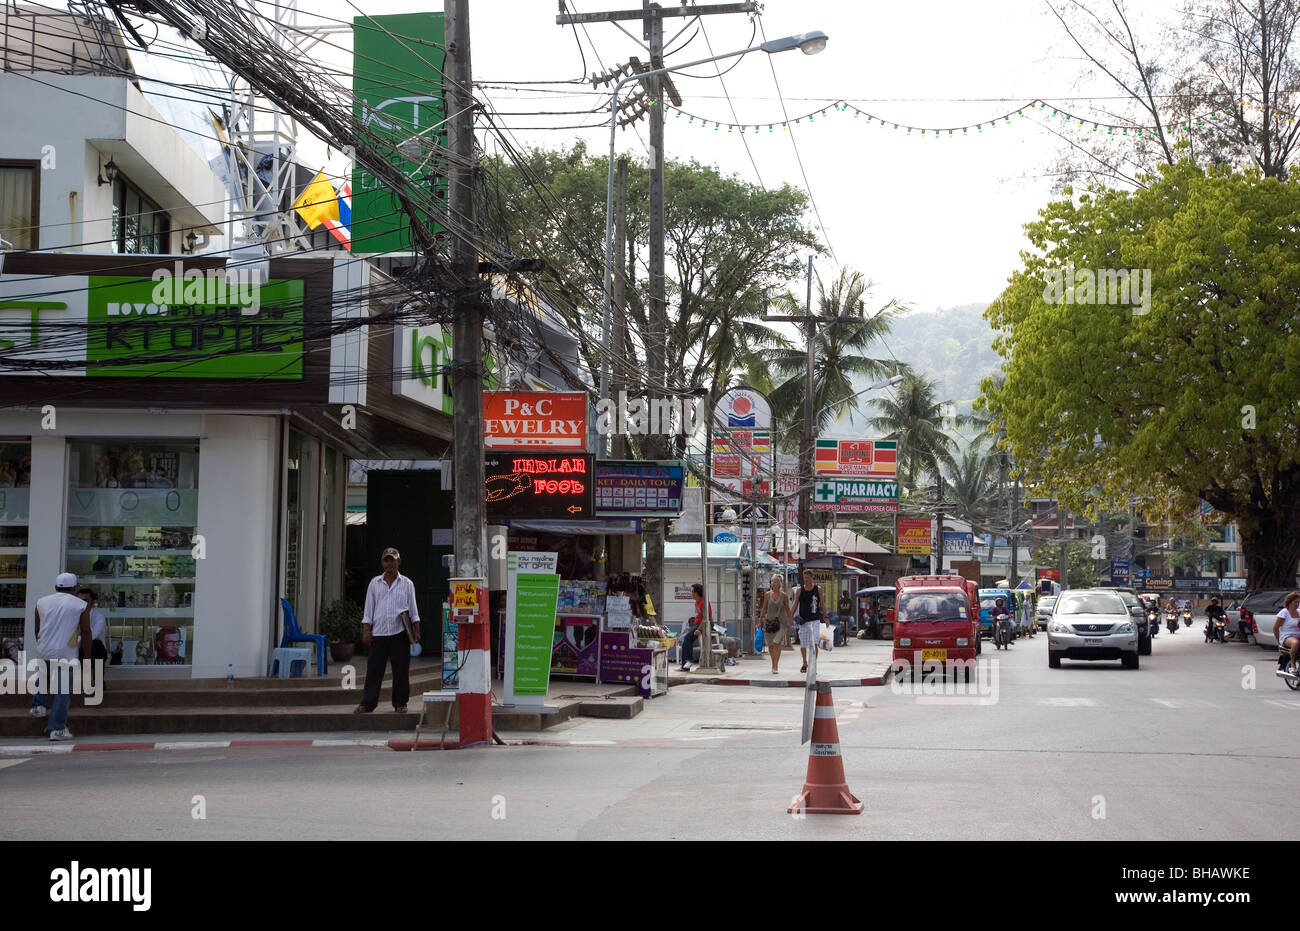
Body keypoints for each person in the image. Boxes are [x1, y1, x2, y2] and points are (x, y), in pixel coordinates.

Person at [355, 547, 421, 714]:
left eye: (393, 560)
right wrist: (366, 630)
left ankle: (400, 703)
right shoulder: (374, 583)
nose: (389, 563)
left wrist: (416, 630)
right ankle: (368, 703)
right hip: (379, 633)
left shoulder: (407, 583)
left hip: (399, 633)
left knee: (401, 671)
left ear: (398, 562)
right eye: (387, 560)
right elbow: (369, 609)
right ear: (382, 562)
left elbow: (413, 610)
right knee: (374, 670)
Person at [28, 572, 92, 741]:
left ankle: (38, 705)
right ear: (74, 588)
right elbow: (85, 631)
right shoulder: (80, 605)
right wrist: (87, 657)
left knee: (43, 677)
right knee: (62, 693)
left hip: (44, 650)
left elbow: (37, 629)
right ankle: (57, 729)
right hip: (66, 653)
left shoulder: (41, 602)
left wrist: (43, 646)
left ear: (56, 587)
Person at [756, 573, 791, 675]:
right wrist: (760, 619)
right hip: (769, 622)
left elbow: (788, 609)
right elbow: (764, 608)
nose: (773, 583)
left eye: (775, 581)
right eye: (772, 581)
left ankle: (776, 665)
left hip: (781, 623)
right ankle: (773, 663)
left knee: (777, 643)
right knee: (771, 645)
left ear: (779, 583)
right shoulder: (767, 595)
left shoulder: (784, 596)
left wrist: (790, 620)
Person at [792, 569, 825, 674]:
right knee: (803, 643)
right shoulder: (800, 590)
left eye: (807, 577)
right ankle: (805, 662)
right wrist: (790, 617)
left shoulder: (818, 589)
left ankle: (813, 664)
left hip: (815, 620)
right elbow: (795, 604)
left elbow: (822, 604)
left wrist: (826, 617)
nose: (805, 580)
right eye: (804, 577)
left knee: (814, 642)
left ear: (811, 577)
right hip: (804, 621)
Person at [678, 583, 711, 672]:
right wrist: (692, 628)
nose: (691, 593)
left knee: (687, 639)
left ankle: (687, 662)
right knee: (686, 639)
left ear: (696, 593)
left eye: (692, 591)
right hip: (698, 624)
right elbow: (698, 618)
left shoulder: (704, 603)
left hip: (705, 624)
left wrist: (699, 629)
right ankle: (685, 664)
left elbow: (706, 619)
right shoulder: (697, 602)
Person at [76, 588, 108, 662]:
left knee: (96, 645)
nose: (81, 603)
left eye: (85, 601)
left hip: (97, 654)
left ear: (92, 603)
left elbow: (91, 636)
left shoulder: (99, 617)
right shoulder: (73, 616)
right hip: (79, 653)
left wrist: (74, 640)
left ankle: (96, 673)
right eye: (78, 601)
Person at [1273, 592, 1300, 675]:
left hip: (1298, 635)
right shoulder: (1284, 612)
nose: (1297, 604)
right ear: (1290, 602)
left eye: (1298, 602)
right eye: (1295, 602)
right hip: (1287, 636)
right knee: (1296, 643)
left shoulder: (1299, 612)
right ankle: (1293, 665)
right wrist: (1279, 642)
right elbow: (1275, 629)